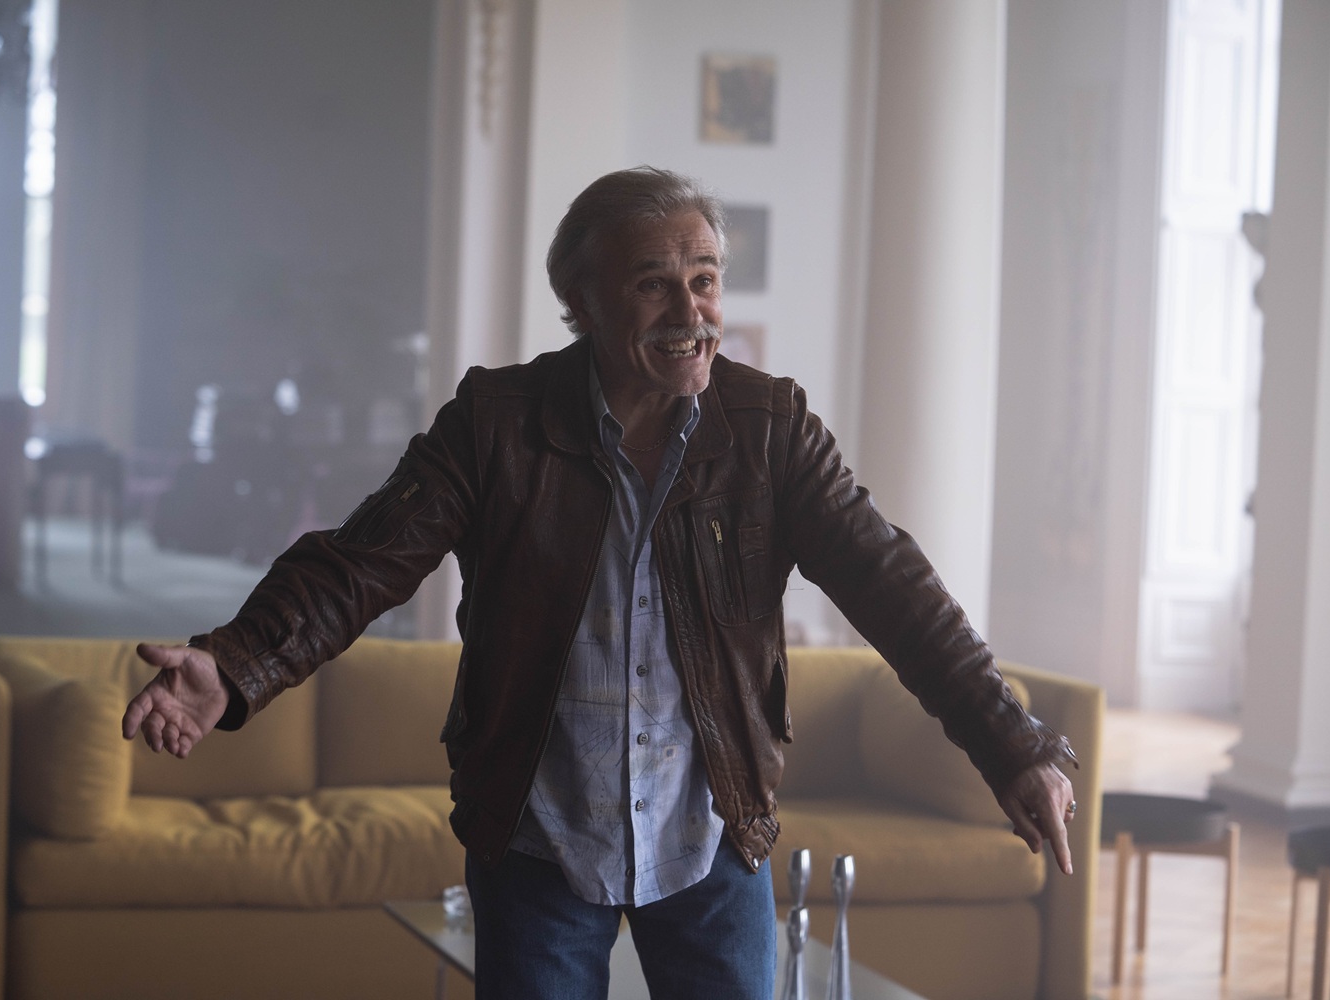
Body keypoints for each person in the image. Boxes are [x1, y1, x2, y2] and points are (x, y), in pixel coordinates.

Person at [123, 166, 1079, 1000]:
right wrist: (234, 663)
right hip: (538, 838)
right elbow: (361, 560)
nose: (690, 313)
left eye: (705, 281)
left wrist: (1012, 744)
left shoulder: (770, 429)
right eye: (653, 285)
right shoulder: (495, 423)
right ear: (579, 301)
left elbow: (893, 588)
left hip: (711, 834)